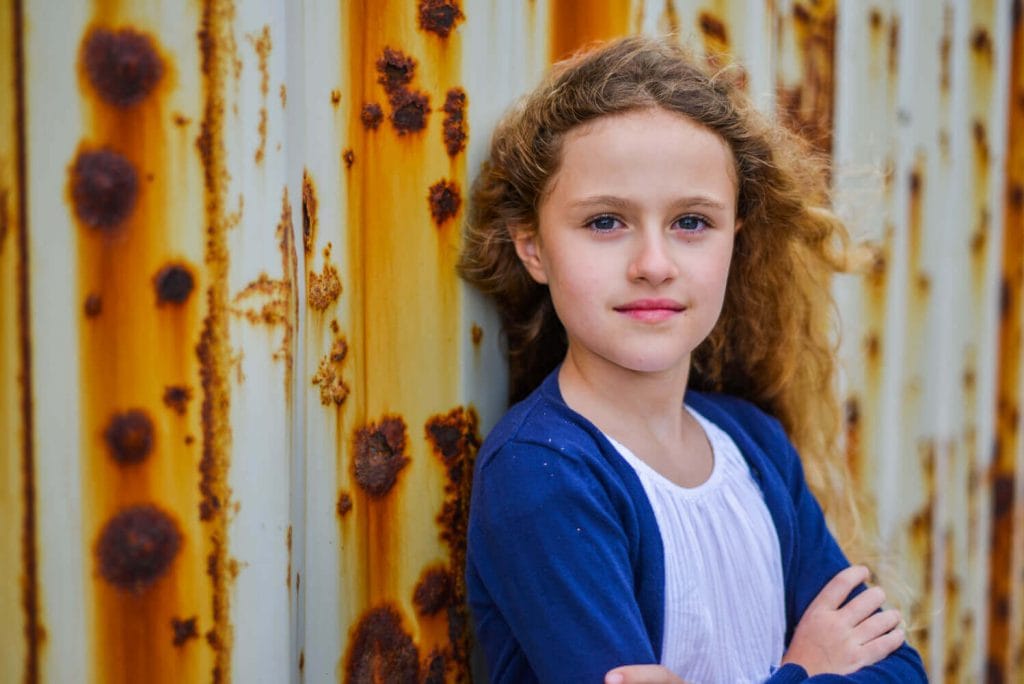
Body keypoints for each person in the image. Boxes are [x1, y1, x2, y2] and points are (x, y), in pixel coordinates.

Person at [458, 35, 927, 683]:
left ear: (735, 237)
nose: (653, 264)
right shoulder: (545, 477)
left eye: (691, 223)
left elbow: (898, 668)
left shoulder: (754, 442)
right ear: (533, 247)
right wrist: (808, 667)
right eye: (604, 222)